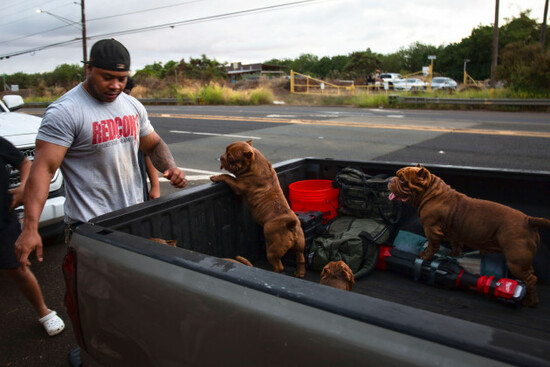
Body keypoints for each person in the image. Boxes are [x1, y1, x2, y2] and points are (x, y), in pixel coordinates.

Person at [15, 38, 187, 269]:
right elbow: (43, 170)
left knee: (136, 292)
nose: (115, 85)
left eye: (121, 79)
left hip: (133, 219)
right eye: (107, 77)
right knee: (97, 299)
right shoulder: (65, 111)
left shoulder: (132, 105)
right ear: (88, 69)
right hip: (91, 229)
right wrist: (30, 228)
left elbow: (153, 145)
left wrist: (170, 167)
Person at [0, 136, 65, 336]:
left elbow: (24, 163)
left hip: (3, 220)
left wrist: (23, 186)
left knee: (18, 268)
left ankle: (44, 311)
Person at [124, 77, 160, 200]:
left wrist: (155, 186)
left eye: (127, 94)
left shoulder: (134, 112)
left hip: (138, 192)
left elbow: (148, 152)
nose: (123, 99)